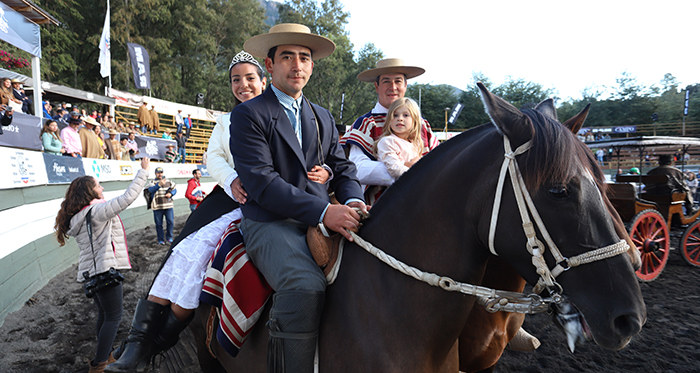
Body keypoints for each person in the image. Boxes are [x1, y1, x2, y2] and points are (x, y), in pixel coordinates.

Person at [106, 50, 283, 373]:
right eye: (236, 80)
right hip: (229, 195)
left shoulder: (279, 115)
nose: (243, 85)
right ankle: (138, 342)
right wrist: (231, 180)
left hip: (263, 199)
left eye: (249, 78)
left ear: (264, 80)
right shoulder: (227, 121)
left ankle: (157, 341)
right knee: (179, 251)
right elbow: (213, 157)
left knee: (198, 256)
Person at [230, 24, 367, 372]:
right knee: (304, 286)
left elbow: (344, 168)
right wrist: (324, 211)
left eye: (304, 58)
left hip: (325, 214)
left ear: (311, 66)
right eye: (287, 57)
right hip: (271, 222)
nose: (297, 65)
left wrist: (352, 201)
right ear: (270, 65)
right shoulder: (248, 114)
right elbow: (262, 184)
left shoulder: (321, 115)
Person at [54, 157, 150, 373]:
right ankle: (99, 365)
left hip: (92, 273)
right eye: (98, 185)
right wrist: (143, 172)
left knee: (105, 315)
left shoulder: (79, 215)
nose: (102, 187)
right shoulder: (96, 211)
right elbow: (127, 198)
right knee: (114, 317)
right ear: (89, 192)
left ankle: (103, 355)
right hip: (104, 270)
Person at [340, 58, 439, 203]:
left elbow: (438, 162)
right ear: (376, 86)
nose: (393, 87)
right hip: (379, 208)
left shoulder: (423, 125)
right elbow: (357, 169)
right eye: (386, 81)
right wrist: (404, 169)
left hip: (422, 204)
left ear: (405, 85)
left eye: (398, 81)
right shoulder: (366, 123)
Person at [374, 97, 424, 181]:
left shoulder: (416, 143)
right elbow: (394, 169)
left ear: (415, 121)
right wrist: (419, 176)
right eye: (395, 115)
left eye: (406, 115)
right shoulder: (387, 142)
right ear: (389, 120)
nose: (400, 118)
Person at [147, 167, 177, 245]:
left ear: (163, 173)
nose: (160, 174)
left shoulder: (169, 181)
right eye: (158, 173)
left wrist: (171, 194)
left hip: (168, 206)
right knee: (159, 224)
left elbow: (175, 189)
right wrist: (159, 185)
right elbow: (150, 190)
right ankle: (161, 239)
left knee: (170, 222)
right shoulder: (152, 182)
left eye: (161, 172)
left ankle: (169, 237)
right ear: (155, 174)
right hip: (157, 207)